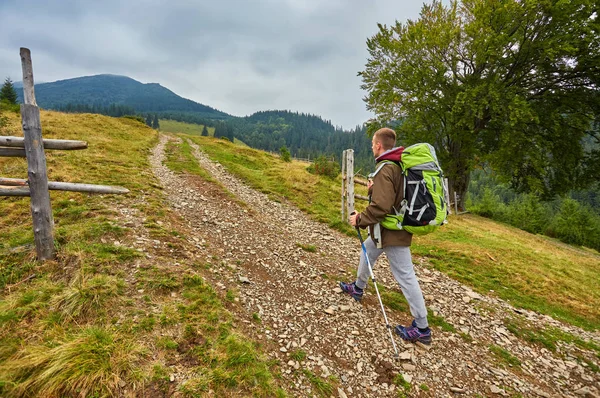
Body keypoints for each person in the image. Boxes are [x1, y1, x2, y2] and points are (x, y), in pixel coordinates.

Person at [340, 127, 431, 345]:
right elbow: (393, 197)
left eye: (373, 143)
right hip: (386, 230)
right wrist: (374, 189)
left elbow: (381, 207)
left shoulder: (385, 168)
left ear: (378, 145)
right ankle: (358, 288)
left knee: (405, 275)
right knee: (368, 250)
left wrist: (359, 219)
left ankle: (422, 327)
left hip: (392, 233)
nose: (372, 146)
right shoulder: (397, 166)